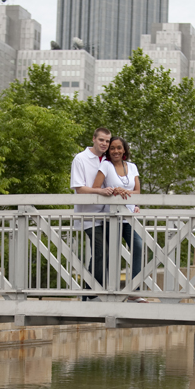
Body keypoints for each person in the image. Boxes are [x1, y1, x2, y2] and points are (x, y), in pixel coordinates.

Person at [92, 136, 148, 303]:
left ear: (124, 150)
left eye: (119, 148)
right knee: (111, 254)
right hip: (113, 217)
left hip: (130, 216)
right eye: (112, 148)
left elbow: (138, 192)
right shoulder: (106, 165)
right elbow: (96, 188)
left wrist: (125, 192)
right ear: (109, 151)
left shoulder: (132, 167)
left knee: (139, 247)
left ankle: (134, 291)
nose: (115, 151)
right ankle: (111, 292)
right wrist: (113, 190)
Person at [70, 127, 113, 299]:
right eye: (101, 140)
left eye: (107, 141)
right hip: (88, 216)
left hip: (108, 215)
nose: (104, 144)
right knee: (102, 251)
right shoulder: (80, 159)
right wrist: (99, 192)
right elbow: (79, 188)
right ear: (94, 139)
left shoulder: (108, 160)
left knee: (104, 253)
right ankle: (92, 293)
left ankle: (89, 292)